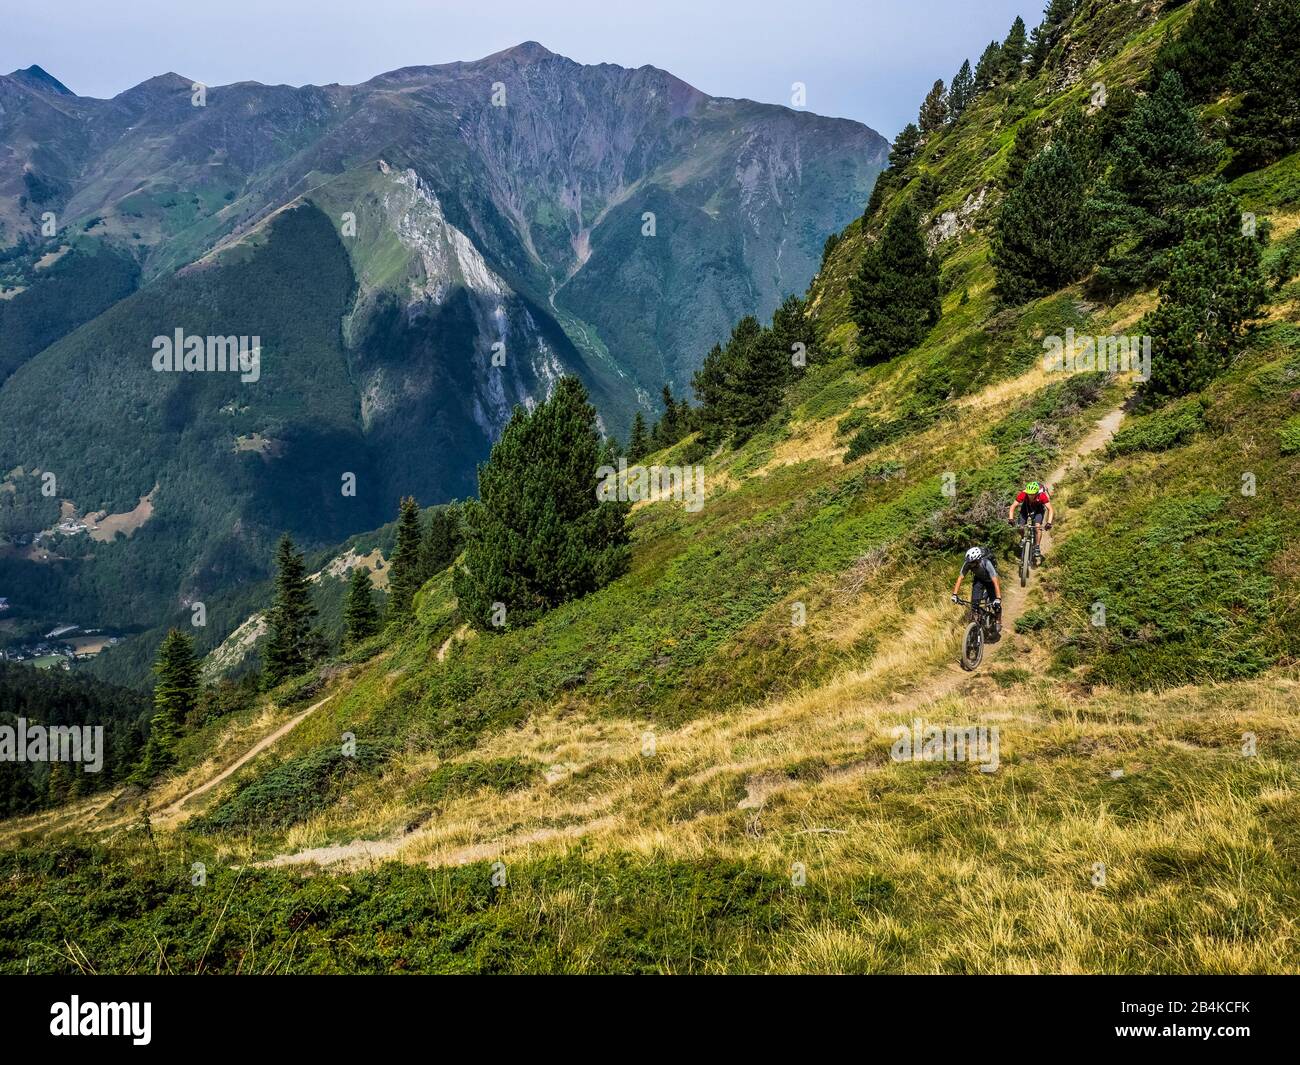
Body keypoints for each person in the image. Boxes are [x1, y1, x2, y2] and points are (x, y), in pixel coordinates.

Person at [952, 546, 1001, 633]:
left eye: (972, 562)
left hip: (990, 581)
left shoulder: (986, 563)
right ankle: (976, 627)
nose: (970, 565)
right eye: (969, 562)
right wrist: (954, 594)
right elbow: (960, 578)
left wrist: (998, 598)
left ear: (978, 560)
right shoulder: (968, 563)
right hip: (979, 580)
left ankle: (998, 620)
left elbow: (995, 581)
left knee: (996, 605)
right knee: (974, 606)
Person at [1008, 480, 1054, 563]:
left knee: (1037, 527)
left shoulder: (1042, 496)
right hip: (1025, 509)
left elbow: (1050, 509)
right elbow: (1013, 506)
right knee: (1020, 527)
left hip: (1038, 511)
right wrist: (1010, 519)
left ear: (1037, 492)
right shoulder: (1023, 494)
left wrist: (1049, 522)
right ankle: (1022, 539)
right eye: (1029, 494)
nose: (1030, 496)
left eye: (1032, 494)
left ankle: (1037, 547)